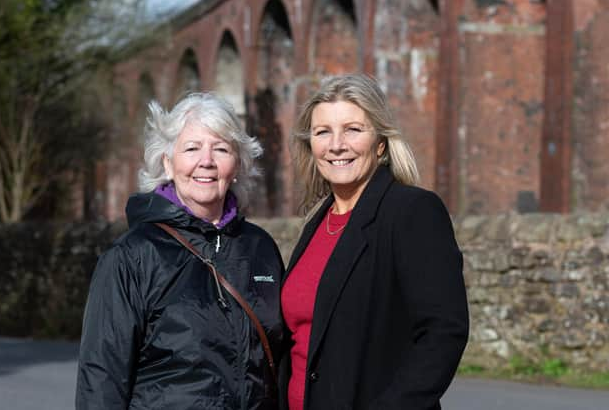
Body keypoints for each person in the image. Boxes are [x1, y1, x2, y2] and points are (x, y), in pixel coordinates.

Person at [76, 93, 285, 410]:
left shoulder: (260, 248)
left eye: (221, 149)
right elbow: (101, 379)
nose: (207, 161)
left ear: (237, 164)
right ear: (167, 163)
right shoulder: (132, 256)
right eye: (191, 148)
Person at [280, 74, 469, 410]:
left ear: (380, 142)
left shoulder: (412, 212)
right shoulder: (317, 222)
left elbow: (443, 334)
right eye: (323, 132)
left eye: (353, 129)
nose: (336, 145)